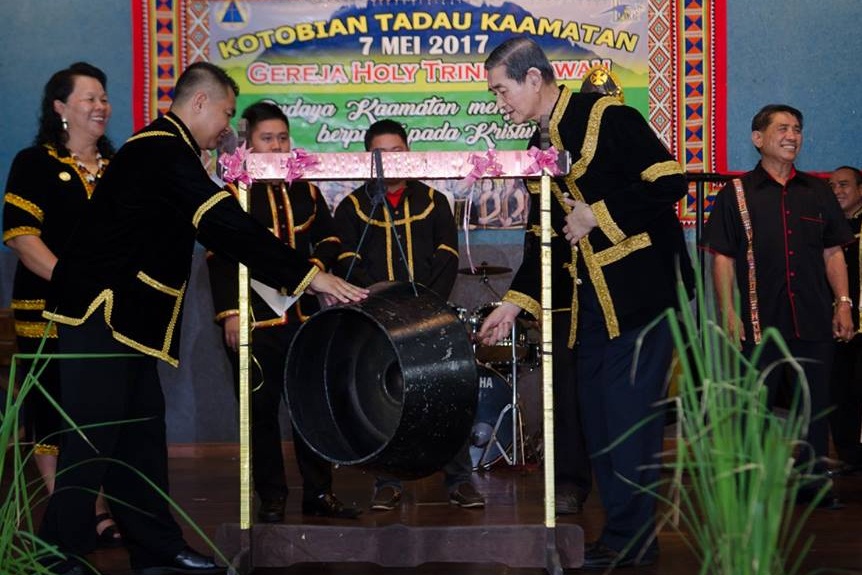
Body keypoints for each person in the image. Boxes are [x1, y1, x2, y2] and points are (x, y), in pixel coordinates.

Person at [37, 62, 367, 575]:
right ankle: (56, 554)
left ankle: (156, 549)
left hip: (128, 323)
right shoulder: (160, 150)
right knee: (92, 439)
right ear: (199, 103)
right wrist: (309, 277)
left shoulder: (168, 150)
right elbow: (223, 223)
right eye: (227, 113)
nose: (227, 127)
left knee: (141, 441)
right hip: (101, 315)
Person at [477, 37, 694, 568]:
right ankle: (623, 536)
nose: (498, 102)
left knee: (628, 423)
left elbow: (670, 181)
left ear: (534, 79)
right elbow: (546, 240)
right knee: (598, 421)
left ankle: (632, 541)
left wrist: (597, 214)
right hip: (590, 307)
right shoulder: (539, 146)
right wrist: (513, 305)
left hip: (640, 299)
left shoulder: (607, 117)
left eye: (501, 90)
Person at [206, 101, 360, 522]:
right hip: (255, 321)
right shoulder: (232, 193)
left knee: (311, 407)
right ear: (248, 143)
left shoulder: (304, 189)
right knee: (259, 413)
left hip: (304, 320)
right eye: (267, 138)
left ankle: (320, 493)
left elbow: (331, 240)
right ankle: (272, 497)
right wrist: (230, 314)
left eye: (282, 138)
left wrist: (314, 272)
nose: (276, 146)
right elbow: (219, 257)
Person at [703, 104, 854, 509]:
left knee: (814, 405)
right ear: (758, 138)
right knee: (754, 405)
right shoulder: (735, 194)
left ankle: (812, 484)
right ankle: (751, 484)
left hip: (814, 318)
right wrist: (728, 312)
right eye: (783, 128)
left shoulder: (818, 192)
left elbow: (833, 252)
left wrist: (843, 303)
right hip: (758, 320)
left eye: (797, 129)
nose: (792, 135)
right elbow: (722, 258)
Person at [333, 119, 485, 511]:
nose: (390, 160)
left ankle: (460, 480)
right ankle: (388, 481)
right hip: (378, 323)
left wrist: (422, 308)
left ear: (410, 152)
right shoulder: (351, 207)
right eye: (380, 154)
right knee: (386, 402)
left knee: (448, 397)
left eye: (397, 151)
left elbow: (446, 260)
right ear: (368, 159)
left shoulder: (435, 201)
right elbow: (348, 263)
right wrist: (384, 307)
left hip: (431, 318)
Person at [2, 62, 123, 548]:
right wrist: (72, 283)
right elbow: (21, 237)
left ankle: (95, 504)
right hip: (48, 309)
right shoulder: (34, 163)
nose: (101, 106)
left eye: (104, 97)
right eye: (89, 98)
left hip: (110, 312)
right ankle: (68, 513)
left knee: (100, 411)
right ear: (60, 107)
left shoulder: (119, 167)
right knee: (52, 410)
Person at [827, 165, 862, 473]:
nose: (837, 190)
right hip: (836, 326)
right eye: (832, 186)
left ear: (860, 190)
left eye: (844, 184)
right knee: (839, 391)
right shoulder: (826, 228)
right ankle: (848, 456)